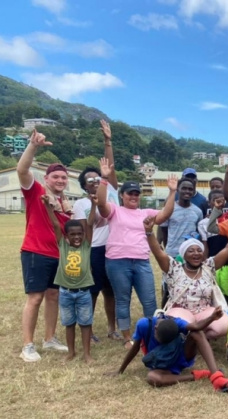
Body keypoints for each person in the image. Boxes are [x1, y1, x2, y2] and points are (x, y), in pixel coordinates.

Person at [97, 157, 178, 348]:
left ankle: (153, 335)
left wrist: (173, 191)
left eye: (136, 194)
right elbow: (101, 204)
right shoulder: (115, 210)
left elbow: (165, 214)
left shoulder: (144, 213)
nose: (133, 196)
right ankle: (127, 337)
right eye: (130, 193)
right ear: (122, 195)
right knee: (122, 299)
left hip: (141, 261)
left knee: (149, 300)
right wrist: (103, 179)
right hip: (117, 262)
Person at [145, 215, 228, 339]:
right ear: (184, 255)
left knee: (225, 325)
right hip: (181, 311)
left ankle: (197, 338)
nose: (196, 253)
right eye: (191, 251)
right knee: (176, 325)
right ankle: (189, 339)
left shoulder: (208, 266)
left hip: (204, 310)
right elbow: (158, 252)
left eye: (199, 250)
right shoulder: (173, 268)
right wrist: (149, 232)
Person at [17, 130, 70, 362]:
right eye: (55, 177)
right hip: (35, 252)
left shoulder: (64, 204)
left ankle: (49, 339)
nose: (60, 180)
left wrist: (63, 211)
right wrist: (33, 146)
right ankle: (27, 345)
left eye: (63, 178)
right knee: (35, 298)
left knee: (53, 295)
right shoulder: (35, 191)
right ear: (46, 179)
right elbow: (22, 170)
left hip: (56, 255)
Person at [109, 307, 228, 392]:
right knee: (152, 377)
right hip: (160, 363)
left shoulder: (176, 322)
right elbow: (134, 349)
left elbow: (195, 326)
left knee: (197, 333)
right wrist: (120, 370)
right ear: (155, 329)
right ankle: (196, 376)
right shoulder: (144, 325)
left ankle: (217, 377)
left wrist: (212, 318)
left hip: (179, 356)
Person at [72, 120, 120, 343]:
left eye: (97, 178)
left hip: (117, 247)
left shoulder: (110, 190)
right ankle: (88, 329)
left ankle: (112, 328)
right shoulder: (80, 204)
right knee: (92, 292)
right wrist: (88, 257)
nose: (94, 181)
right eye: (89, 180)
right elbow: (85, 231)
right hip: (96, 250)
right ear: (84, 186)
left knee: (111, 291)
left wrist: (107, 141)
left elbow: (109, 168)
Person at [44, 194, 96, 363]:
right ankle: (71, 352)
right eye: (72, 234)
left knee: (86, 323)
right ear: (66, 236)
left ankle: (87, 354)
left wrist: (94, 206)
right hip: (65, 292)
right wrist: (48, 208)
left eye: (79, 234)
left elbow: (89, 224)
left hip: (83, 292)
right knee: (69, 323)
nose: (77, 237)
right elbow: (55, 225)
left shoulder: (87, 245)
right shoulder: (63, 245)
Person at [160, 178, 204, 306]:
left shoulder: (197, 211)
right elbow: (163, 230)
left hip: (190, 256)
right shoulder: (170, 208)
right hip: (172, 254)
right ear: (178, 189)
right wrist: (167, 248)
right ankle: (164, 315)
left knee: (188, 288)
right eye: (184, 188)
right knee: (168, 288)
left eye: (190, 189)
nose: (187, 191)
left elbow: (198, 232)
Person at [198, 191, 228, 312]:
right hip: (213, 262)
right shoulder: (203, 223)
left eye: (221, 200)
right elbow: (205, 244)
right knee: (213, 294)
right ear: (209, 203)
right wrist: (204, 263)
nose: (218, 202)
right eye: (215, 199)